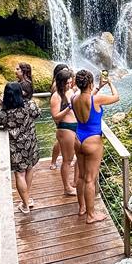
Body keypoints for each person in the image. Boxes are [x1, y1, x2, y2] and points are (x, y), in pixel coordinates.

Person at [71, 69, 119, 223]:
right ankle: (91, 215)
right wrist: (110, 83)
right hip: (93, 141)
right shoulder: (96, 100)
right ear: (90, 83)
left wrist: (98, 87)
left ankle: (82, 208)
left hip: (78, 139)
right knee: (90, 179)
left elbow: (86, 97)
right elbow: (116, 97)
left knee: (81, 176)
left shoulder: (73, 98)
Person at [0, 81, 40, 213]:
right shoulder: (29, 105)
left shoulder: (5, 112)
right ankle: (27, 197)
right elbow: (37, 114)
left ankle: (25, 205)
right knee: (30, 167)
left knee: (19, 174)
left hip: (16, 147)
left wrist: (0, 106)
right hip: (30, 143)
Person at [49, 67, 77, 196]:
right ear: (60, 82)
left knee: (78, 157)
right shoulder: (56, 96)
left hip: (76, 126)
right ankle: (67, 187)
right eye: (67, 82)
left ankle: (75, 182)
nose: (69, 84)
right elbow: (55, 116)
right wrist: (68, 108)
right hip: (65, 128)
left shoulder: (71, 91)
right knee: (67, 160)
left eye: (70, 82)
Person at [49, 63, 69, 170]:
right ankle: (53, 161)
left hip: (65, 114)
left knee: (62, 141)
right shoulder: (55, 87)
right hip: (60, 115)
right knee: (60, 141)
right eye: (64, 71)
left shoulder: (64, 85)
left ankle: (60, 160)